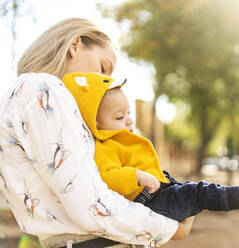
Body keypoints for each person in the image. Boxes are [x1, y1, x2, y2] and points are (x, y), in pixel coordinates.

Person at [0, 17, 194, 248]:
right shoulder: (45, 89)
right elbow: (90, 205)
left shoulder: (16, 99)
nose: (104, 81)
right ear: (75, 45)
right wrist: (173, 228)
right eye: (103, 67)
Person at [61, 72, 239, 222]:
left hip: (158, 190)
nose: (128, 121)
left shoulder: (121, 139)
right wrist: (136, 176)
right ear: (95, 124)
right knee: (199, 193)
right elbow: (106, 178)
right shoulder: (105, 147)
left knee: (195, 189)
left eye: (129, 113)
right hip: (148, 202)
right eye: (119, 117)